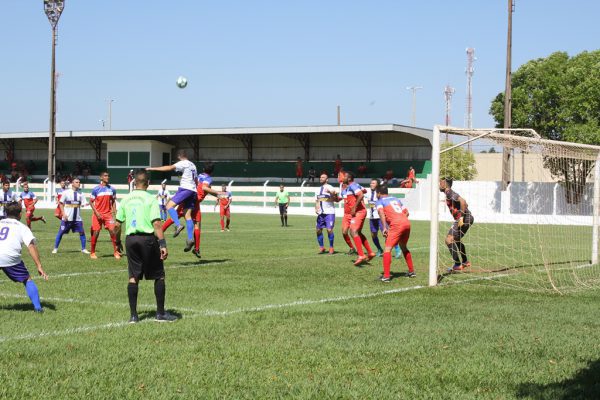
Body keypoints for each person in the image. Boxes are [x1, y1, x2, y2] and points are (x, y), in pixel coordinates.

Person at [115, 169, 176, 323]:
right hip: (147, 240)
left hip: (130, 240)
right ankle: (160, 314)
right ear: (148, 183)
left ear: (134, 182)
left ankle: (133, 316)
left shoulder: (125, 199)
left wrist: (117, 241)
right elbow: (156, 224)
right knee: (159, 275)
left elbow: (116, 225)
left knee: (133, 277)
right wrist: (162, 244)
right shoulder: (150, 199)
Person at [0, 202, 48, 312]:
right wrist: (39, 266)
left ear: (6, 213)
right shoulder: (22, 227)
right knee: (27, 279)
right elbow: (31, 246)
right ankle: (38, 308)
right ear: (20, 214)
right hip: (10, 257)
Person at [147, 150, 198, 251]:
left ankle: (178, 225)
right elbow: (196, 180)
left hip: (185, 188)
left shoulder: (183, 163)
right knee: (187, 215)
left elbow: (169, 168)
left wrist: (152, 168)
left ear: (179, 156)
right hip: (193, 190)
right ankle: (190, 239)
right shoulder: (193, 165)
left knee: (168, 206)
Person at [375, 185, 415, 282]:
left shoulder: (380, 201)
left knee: (387, 249)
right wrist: (401, 220)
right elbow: (407, 212)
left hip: (396, 224)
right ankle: (411, 271)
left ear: (379, 193)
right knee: (403, 247)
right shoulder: (396, 199)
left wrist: (385, 227)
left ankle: (386, 276)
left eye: (376, 193)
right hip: (406, 223)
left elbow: (381, 213)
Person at [440, 178, 474, 272]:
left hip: (465, 218)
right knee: (456, 239)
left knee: (448, 240)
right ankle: (465, 261)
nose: (439, 185)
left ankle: (457, 264)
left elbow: (463, 202)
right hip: (468, 218)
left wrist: (461, 217)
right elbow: (465, 204)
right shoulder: (449, 193)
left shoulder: (449, 192)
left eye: (440, 183)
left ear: (445, 184)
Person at [342, 172, 375, 266]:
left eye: (345, 176)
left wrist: (354, 207)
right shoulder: (351, 186)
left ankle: (361, 255)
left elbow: (361, 195)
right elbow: (364, 191)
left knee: (353, 231)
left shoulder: (353, 186)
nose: (343, 177)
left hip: (359, 212)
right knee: (358, 233)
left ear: (349, 178)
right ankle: (370, 253)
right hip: (358, 212)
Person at [52, 178, 90, 254]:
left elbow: (83, 204)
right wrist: (63, 214)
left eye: (79, 182)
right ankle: (55, 248)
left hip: (77, 219)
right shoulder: (66, 193)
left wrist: (89, 203)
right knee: (60, 233)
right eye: (77, 182)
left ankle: (83, 249)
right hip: (67, 218)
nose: (78, 183)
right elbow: (61, 203)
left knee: (82, 232)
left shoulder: (81, 194)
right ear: (72, 183)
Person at [365, 179, 399, 258]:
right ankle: (379, 249)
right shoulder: (367, 192)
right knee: (373, 234)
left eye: (373, 183)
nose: (371, 184)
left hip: (380, 217)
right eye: (371, 183)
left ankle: (397, 249)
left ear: (377, 185)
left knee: (386, 234)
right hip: (372, 217)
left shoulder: (380, 193)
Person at [89, 172, 120, 260]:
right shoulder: (96, 189)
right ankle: (92, 252)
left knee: (113, 231)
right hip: (97, 214)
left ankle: (116, 252)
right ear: (101, 178)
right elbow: (90, 202)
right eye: (105, 176)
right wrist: (96, 213)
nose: (107, 177)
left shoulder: (112, 189)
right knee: (96, 232)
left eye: (108, 176)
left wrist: (114, 211)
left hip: (108, 214)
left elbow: (113, 201)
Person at [314, 173, 337, 254]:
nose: (321, 178)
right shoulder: (318, 189)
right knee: (318, 230)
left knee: (329, 229)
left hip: (329, 212)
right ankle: (322, 247)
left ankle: (331, 247)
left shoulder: (329, 187)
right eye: (320, 177)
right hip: (321, 213)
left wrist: (330, 192)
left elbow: (335, 194)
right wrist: (316, 207)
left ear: (327, 179)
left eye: (323, 177)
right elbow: (317, 200)